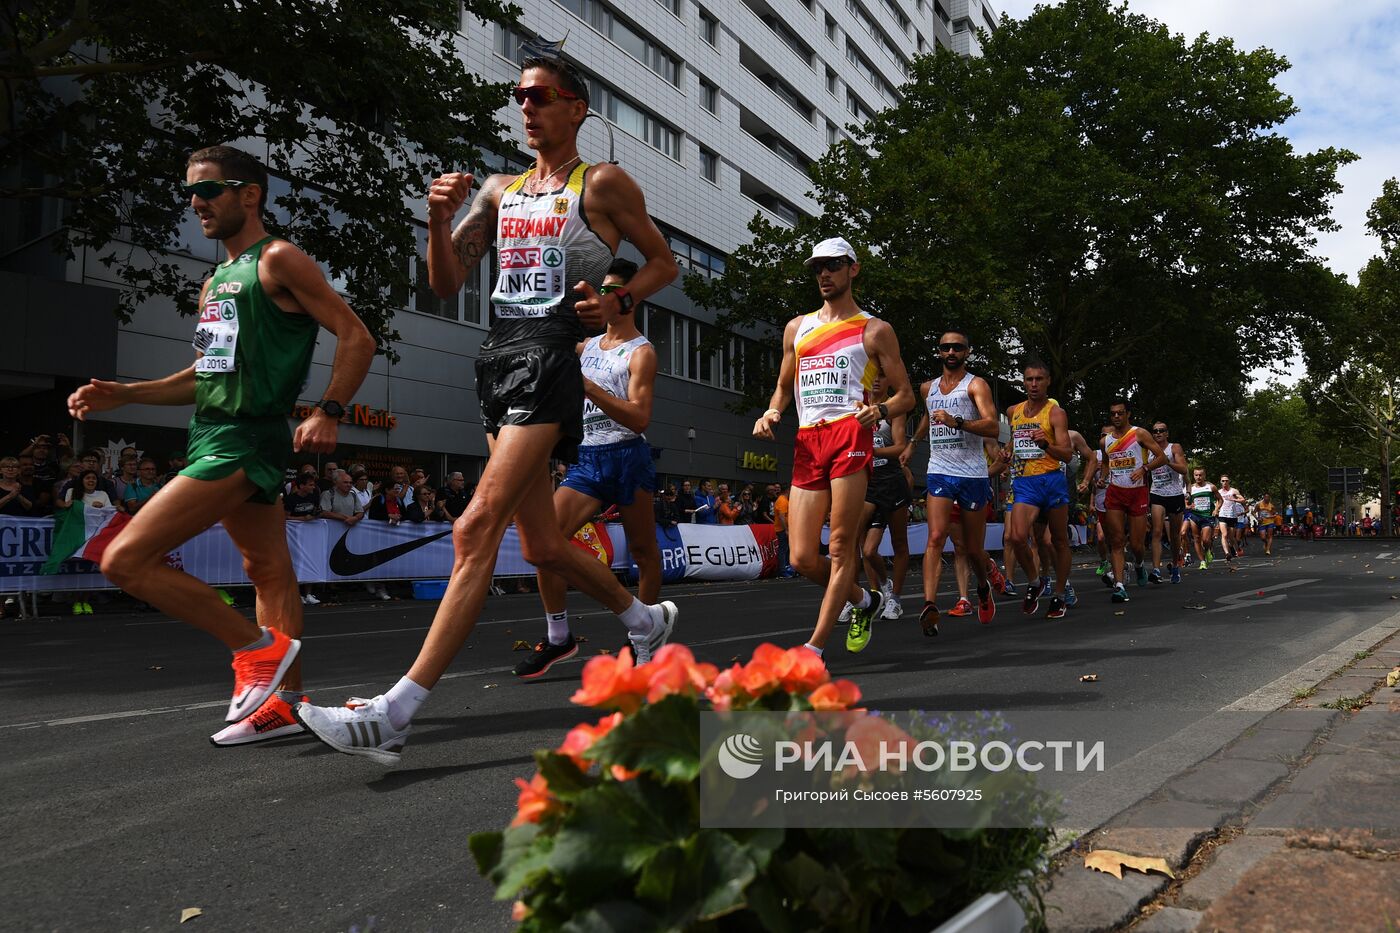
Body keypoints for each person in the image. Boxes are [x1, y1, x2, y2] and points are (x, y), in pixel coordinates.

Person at [295, 53, 680, 764]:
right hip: (498, 359)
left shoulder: (602, 184)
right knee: (541, 545)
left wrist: (619, 301)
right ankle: (643, 617)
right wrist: (438, 219)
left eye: (540, 95)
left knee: (475, 526)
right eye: (519, 96)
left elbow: (664, 261)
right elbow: (446, 282)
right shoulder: (500, 191)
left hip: (551, 358)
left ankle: (395, 712)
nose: (526, 106)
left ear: (575, 109)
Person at [67, 144, 374, 746]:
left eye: (208, 190)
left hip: (247, 438)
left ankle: (254, 649)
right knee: (268, 571)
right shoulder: (214, 281)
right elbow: (203, 376)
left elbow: (356, 336)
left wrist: (330, 411)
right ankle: (287, 705)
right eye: (191, 191)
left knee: (123, 559)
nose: (194, 202)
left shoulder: (279, 259)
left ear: (249, 194)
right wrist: (126, 393)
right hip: (213, 430)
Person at [754, 237, 913, 657]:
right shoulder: (797, 328)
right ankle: (864, 600)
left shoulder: (874, 329)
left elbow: (907, 397)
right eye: (817, 268)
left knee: (842, 546)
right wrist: (771, 412)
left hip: (849, 434)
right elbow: (783, 387)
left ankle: (815, 650)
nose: (824, 274)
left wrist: (879, 412)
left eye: (833, 265)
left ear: (853, 269)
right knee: (803, 557)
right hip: (809, 439)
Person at [515, 258, 665, 680]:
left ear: (629, 298)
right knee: (546, 543)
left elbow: (639, 418)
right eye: (600, 288)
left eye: (610, 290)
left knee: (642, 551)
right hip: (588, 458)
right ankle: (558, 635)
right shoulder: (584, 347)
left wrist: (591, 388)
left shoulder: (642, 352)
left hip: (627, 455)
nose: (599, 296)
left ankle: (644, 638)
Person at [914, 330, 1001, 633]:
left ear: (967, 352)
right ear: (938, 352)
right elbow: (927, 417)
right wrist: (913, 443)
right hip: (939, 469)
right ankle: (929, 605)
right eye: (945, 347)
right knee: (936, 537)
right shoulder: (927, 388)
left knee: (973, 549)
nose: (951, 352)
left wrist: (958, 421)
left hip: (972, 474)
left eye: (957, 347)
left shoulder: (975, 385)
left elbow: (992, 426)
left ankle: (982, 586)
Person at [1004, 363, 1074, 618]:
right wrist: (1008, 450)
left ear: (1048, 382)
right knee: (1016, 537)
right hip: (1025, 484)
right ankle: (1035, 582)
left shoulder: (1055, 413)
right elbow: (1015, 440)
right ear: (1024, 382)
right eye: (1029, 379)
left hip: (1051, 480)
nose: (1033, 384)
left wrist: (1045, 443)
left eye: (1039, 379)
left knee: (1058, 541)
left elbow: (1067, 454)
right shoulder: (1014, 411)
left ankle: (1058, 594)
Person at [1097, 398, 1168, 603]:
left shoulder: (1139, 433)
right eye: (1113, 414)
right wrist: (1102, 477)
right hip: (1115, 493)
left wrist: (1144, 468)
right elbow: (1105, 463)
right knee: (1116, 541)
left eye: (1120, 413)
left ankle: (1138, 565)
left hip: (1137, 493)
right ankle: (1119, 586)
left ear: (1128, 414)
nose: (1117, 417)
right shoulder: (1105, 441)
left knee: (1137, 545)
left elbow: (1162, 457)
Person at [1147, 422, 1189, 584]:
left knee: (1174, 536)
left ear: (1167, 433)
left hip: (1175, 495)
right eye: (1155, 431)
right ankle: (1156, 570)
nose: (1157, 433)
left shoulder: (1174, 447)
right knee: (1156, 532)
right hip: (1157, 494)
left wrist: (1167, 462)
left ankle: (1176, 565)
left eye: (1161, 431)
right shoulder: (1148, 450)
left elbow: (1184, 469)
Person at [1185, 468, 1217, 569]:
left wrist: (1216, 509)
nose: (1198, 477)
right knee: (1196, 538)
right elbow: (1185, 503)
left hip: (1207, 516)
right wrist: (1189, 506)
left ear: (1204, 476)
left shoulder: (1211, 487)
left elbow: (1220, 500)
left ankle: (1207, 550)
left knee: (1206, 540)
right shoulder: (1190, 488)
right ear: (1193, 476)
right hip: (1195, 516)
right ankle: (1202, 561)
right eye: (1196, 475)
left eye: (1200, 475)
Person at [1217, 476, 1247, 563]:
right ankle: (1227, 553)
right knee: (1224, 534)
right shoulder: (1219, 492)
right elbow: (1217, 502)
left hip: (1232, 516)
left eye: (1226, 481)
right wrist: (1216, 510)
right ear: (1220, 482)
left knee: (1231, 537)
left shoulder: (1233, 491)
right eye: (1223, 481)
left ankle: (1237, 548)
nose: (1225, 482)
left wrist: (1234, 499)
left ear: (1229, 481)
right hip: (1222, 514)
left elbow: (1243, 500)